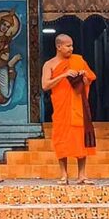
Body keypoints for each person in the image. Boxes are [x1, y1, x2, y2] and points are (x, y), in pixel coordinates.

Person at [41, 34, 97, 185]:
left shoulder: (78, 60)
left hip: (78, 106)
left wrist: (84, 77)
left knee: (81, 139)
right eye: (67, 46)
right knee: (61, 140)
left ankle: (82, 175)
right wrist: (64, 75)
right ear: (58, 46)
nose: (71, 49)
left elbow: (90, 78)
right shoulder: (49, 64)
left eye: (72, 45)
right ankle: (63, 175)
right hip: (61, 108)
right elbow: (45, 85)